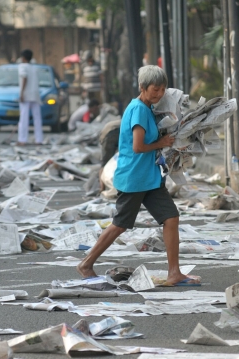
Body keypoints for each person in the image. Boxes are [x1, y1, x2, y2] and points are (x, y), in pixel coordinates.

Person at [77, 65, 200, 286]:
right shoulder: (139, 110)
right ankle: (86, 264)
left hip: (150, 178)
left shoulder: (148, 108)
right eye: (155, 89)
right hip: (134, 178)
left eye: (163, 89)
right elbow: (138, 146)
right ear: (142, 87)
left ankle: (174, 273)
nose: (159, 94)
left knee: (171, 218)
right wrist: (161, 143)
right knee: (120, 224)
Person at [18, 49, 43, 146]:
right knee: (37, 118)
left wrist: (22, 93)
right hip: (35, 95)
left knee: (24, 118)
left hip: (27, 95)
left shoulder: (22, 66)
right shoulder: (34, 68)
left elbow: (24, 78)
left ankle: (22, 140)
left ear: (23, 58)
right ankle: (39, 140)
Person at [98, 119, 121, 190]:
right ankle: (102, 188)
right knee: (105, 163)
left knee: (106, 162)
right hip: (111, 133)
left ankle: (103, 188)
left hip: (108, 131)